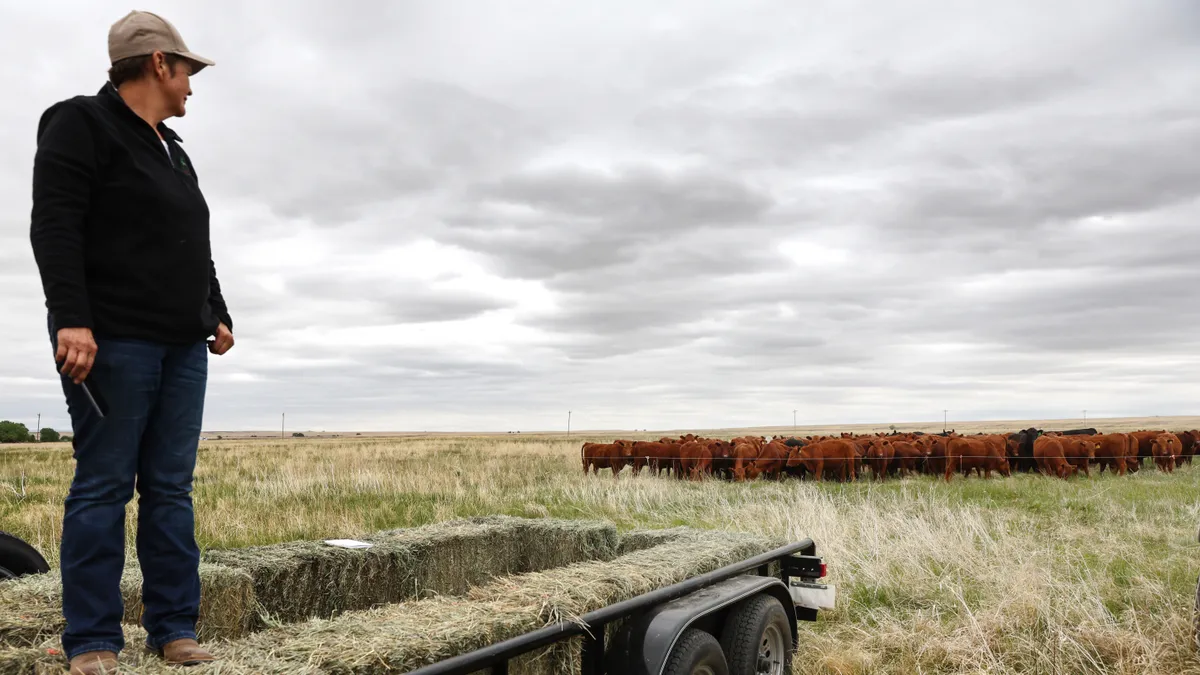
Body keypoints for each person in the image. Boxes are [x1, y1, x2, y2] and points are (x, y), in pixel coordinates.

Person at [28, 10, 233, 674]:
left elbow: (193, 243)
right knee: (105, 485)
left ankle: (174, 628)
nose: (191, 88)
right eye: (186, 73)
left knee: (171, 488)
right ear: (156, 64)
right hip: (112, 340)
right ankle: (91, 640)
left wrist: (216, 309)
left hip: (181, 345)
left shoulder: (174, 150)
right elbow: (55, 224)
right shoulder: (79, 123)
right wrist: (72, 318)